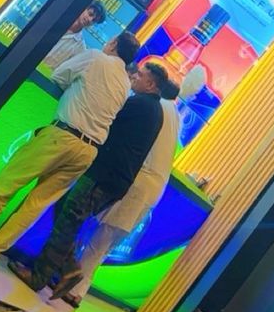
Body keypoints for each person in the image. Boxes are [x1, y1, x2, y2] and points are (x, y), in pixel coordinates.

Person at [0, 29, 140, 267]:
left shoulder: (96, 57)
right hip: (88, 152)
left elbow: (59, 75)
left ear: (114, 43)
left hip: (63, 135)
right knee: (36, 204)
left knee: (9, 182)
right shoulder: (125, 86)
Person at [11, 61, 179, 296]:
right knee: (66, 212)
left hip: (104, 176)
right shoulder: (155, 110)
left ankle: (40, 276)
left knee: (69, 217)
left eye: (140, 75)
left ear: (151, 83)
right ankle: (69, 268)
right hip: (114, 180)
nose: (134, 77)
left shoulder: (139, 104)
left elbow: (110, 124)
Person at [52, 79, 181, 307]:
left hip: (138, 184)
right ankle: (74, 284)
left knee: (98, 238)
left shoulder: (155, 108)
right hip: (151, 189)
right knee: (104, 242)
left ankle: (74, 287)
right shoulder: (175, 116)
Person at [43, 1, 106, 72]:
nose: (89, 20)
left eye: (94, 20)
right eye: (90, 14)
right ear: (84, 8)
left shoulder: (80, 48)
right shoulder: (56, 19)